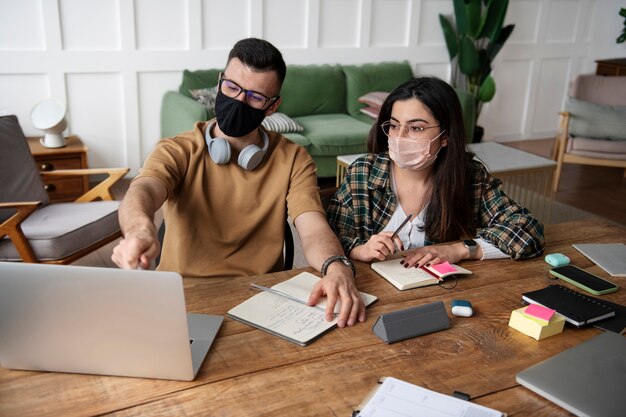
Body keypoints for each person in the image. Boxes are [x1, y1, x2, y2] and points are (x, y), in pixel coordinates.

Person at [111, 38, 365, 328]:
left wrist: (336, 266)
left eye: (255, 97)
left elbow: (312, 228)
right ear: (220, 82)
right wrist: (140, 231)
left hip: (259, 297)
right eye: (232, 88)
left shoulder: (294, 159)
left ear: (272, 106)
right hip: (182, 295)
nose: (239, 101)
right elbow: (142, 190)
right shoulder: (176, 149)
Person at [327, 76, 544, 268]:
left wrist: (458, 250)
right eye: (394, 125)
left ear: (446, 136)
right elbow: (329, 237)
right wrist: (360, 250)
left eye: (416, 128)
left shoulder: (469, 177)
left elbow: (528, 231)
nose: (400, 136)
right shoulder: (363, 172)